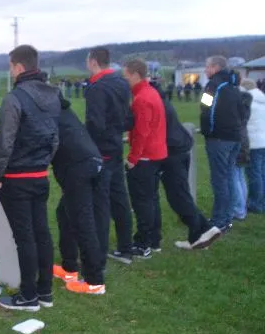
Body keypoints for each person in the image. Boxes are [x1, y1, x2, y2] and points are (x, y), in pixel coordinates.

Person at [0, 45, 60, 312]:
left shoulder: (14, 98)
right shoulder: (54, 95)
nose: (10, 72)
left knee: (26, 237)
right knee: (42, 232)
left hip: (17, 175)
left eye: (11, 67)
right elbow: (56, 137)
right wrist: (44, 161)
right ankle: (45, 291)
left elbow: (5, 140)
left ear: (18, 67)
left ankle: (29, 296)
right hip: (40, 173)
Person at [147, 83, 223, 250]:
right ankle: (202, 232)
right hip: (180, 147)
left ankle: (201, 232)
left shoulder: (154, 103)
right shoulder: (164, 101)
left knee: (178, 197)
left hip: (172, 151)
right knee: (181, 194)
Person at [51, 95, 107, 295]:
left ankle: (94, 281)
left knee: (83, 222)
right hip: (90, 161)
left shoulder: (49, 114)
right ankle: (69, 267)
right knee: (64, 213)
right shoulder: (64, 112)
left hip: (78, 168)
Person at [85, 47, 134, 264]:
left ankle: (99, 256)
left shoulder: (97, 87)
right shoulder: (121, 82)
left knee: (101, 204)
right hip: (115, 146)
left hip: (101, 150)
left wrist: (87, 145)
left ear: (93, 62)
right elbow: (128, 117)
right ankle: (125, 248)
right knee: (119, 198)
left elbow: (95, 124)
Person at [122, 59, 168, 259]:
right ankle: (154, 240)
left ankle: (143, 244)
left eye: (126, 76)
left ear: (135, 74)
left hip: (146, 157)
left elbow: (142, 132)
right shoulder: (151, 92)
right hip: (157, 153)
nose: (124, 79)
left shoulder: (141, 98)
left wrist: (133, 157)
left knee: (142, 202)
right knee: (152, 199)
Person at [201, 56, 244, 233]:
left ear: (215, 67)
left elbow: (205, 110)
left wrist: (208, 131)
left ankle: (219, 221)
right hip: (235, 137)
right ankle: (227, 217)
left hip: (219, 138)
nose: (205, 70)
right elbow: (242, 112)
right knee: (229, 177)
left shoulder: (212, 85)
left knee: (219, 180)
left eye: (207, 67)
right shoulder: (234, 85)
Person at [242, 79, 265, 213]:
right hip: (263, 141)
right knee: (262, 172)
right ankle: (261, 201)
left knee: (254, 174)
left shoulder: (248, 102)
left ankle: (255, 202)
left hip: (254, 142)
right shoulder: (262, 101)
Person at [232, 83, 253, 220]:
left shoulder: (238, 108)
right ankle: (242, 206)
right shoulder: (246, 106)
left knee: (234, 176)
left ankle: (238, 209)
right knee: (240, 176)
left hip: (237, 140)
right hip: (244, 140)